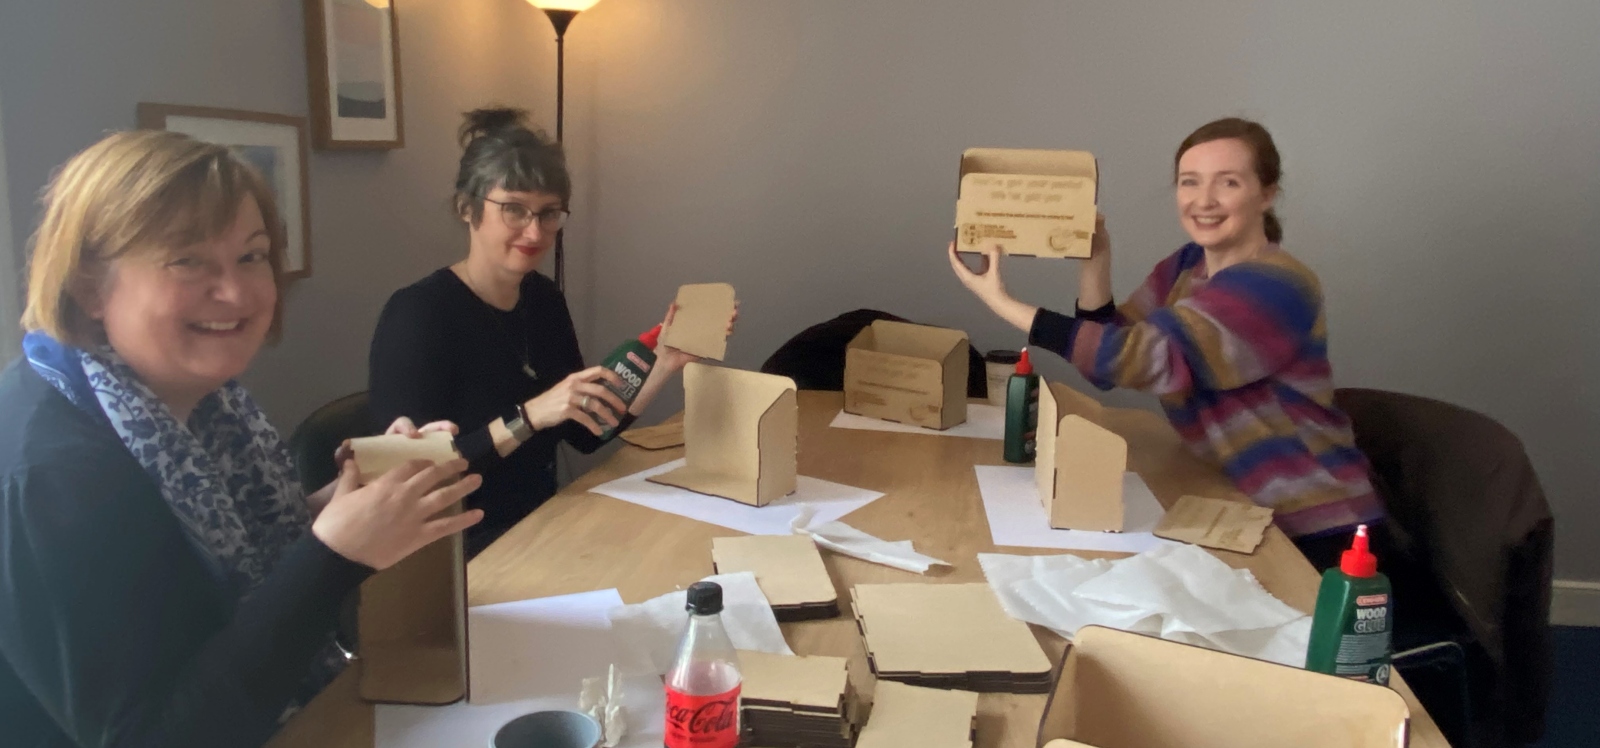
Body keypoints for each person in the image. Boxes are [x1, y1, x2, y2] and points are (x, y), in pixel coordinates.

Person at [0, 131, 484, 747]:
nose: (234, 293)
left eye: (252, 257)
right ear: (91, 286)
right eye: (187, 260)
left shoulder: (202, 404)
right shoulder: (53, 474)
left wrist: (346, 504)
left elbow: (193, 566)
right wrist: (332, 554)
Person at [949, 117, 1383, 551]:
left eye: (1228, 183)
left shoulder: (1276, 285)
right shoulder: (1187, 267)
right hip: (1230, 503)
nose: (1204, 200)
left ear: (1266, 194)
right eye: (1189, 182)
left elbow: (1142, 358)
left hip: (1316, 529)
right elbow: (1107, 363)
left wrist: (1002, 302)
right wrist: (1095, 261)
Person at [369, 108, 728, 557]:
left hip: (542, 525)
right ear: (467, 208)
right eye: (514, 210)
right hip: (457, 550)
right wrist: (530, 415)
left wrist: (666, 363)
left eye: (549, 213)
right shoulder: (417, 315)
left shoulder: (542, 299)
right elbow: (409, 477)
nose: (535, 230)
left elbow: (583, 430)